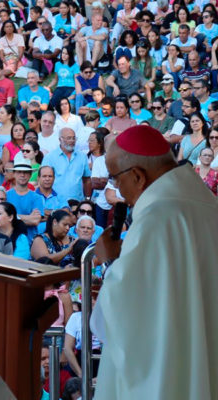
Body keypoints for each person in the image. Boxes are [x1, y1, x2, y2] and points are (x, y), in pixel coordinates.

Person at [91, 125, 218, 400]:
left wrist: (110, 260)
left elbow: (126, 313)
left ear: (137, 176)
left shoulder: (156, 217)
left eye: (115, 180)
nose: (118, 190)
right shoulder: (207, 203)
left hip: (169, 365)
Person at [42, 127, 92, 203]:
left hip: (77, 203)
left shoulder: (82, 156)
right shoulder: (50, 157)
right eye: (69, 138)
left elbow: (87, 180)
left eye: (74, 138)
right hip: (55, 203)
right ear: (60, 139)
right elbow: (42, 181)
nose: (72, 141)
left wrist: (87, 199)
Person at [6, 158, 44, 240]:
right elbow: (4, 219)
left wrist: (12, 217)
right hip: (10, 240)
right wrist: (28, 217)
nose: (22, 175)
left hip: (30, 240)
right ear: (14, 174)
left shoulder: (37, 198)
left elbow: (35, 221)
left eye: (26, 172)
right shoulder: (6, 195)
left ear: (30, 174)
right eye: (19, 172)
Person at [0, 105, 16, 187]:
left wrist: (1, 161)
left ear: (9, 116)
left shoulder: (15, 129)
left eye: (2, 113)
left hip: (10, 162)